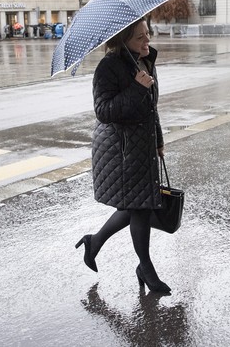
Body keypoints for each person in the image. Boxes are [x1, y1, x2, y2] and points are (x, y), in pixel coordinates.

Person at [75, 17, 171, 293]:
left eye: (147, 34)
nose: (147, 40)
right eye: (140, 37)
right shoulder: (108, 67)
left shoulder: (144, 61)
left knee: (136, 205)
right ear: (124, 41)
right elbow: (103, 112)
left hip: (142, 146)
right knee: (140, 206)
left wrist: (159, 140)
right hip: (120, 149)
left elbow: (151, 107)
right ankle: (146, 267)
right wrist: (136, 88)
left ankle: (95, 242)